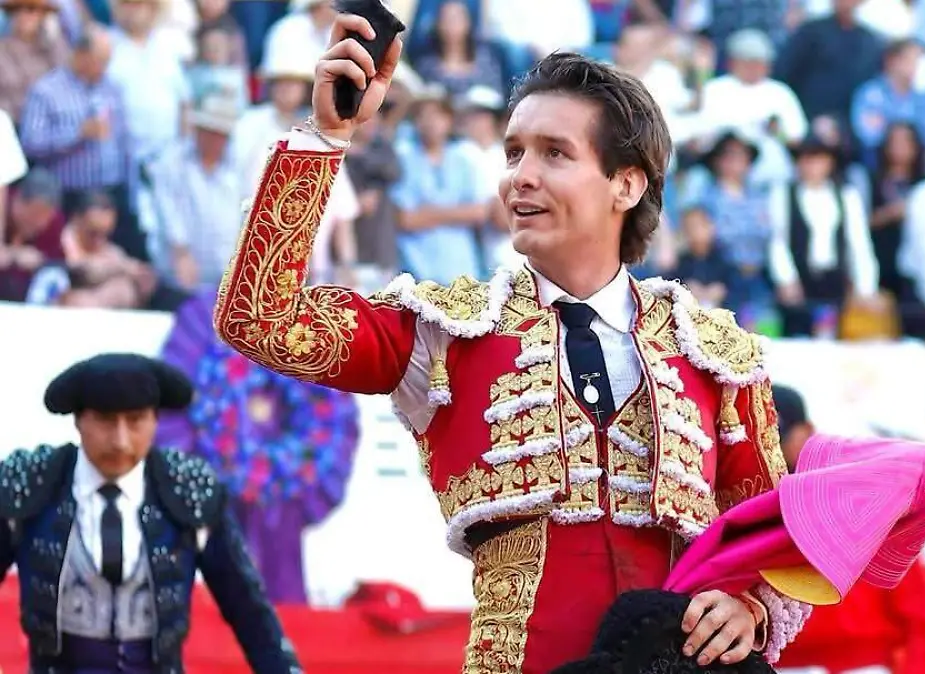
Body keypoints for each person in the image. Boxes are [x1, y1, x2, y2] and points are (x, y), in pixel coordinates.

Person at [214, 16, 806, 673]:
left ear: (626, 184)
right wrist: (326, 136)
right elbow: (258, 317)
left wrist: (749, 606)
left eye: (555, 153)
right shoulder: (447, 330)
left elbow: (771, 533)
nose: (520, 176)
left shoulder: (713, 351)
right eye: (514, 153)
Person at [0, 353, 302, 674]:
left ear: (155, 421)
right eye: (105, 420)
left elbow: (246, 608)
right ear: (79, 420)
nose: (120, 441)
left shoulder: (188, 490)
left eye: (135, 421)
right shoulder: (32, 484)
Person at [773, 386, 925, 674]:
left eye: (779, 440)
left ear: (807, 431)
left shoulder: (869, 501)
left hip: (859, 666)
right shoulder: (739, 508)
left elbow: (923, 623)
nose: (771, 452)